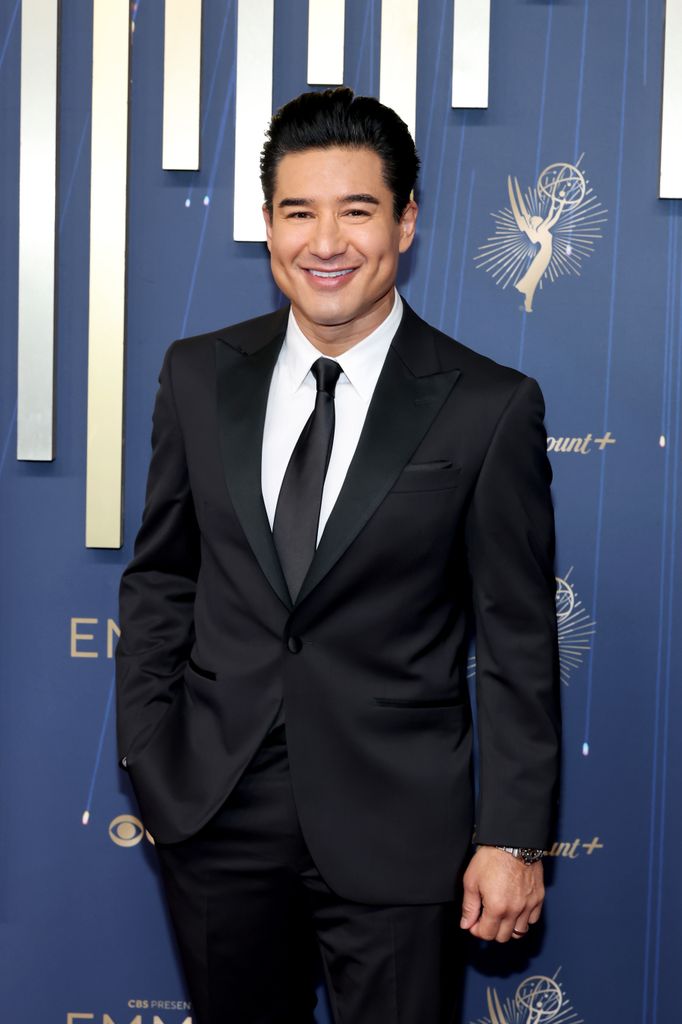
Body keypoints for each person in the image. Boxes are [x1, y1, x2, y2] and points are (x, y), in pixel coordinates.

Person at [116, 87, 561, 1024]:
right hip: (214, 809)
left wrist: (514, 839)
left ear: (405, 221)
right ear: (268, 224)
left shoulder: (488, 405)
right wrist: (150, 756)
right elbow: (162, 577)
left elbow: (518, 640)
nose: (326, 242)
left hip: (398, 825)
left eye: (357, 210)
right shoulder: (196, 376)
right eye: (298, 211)